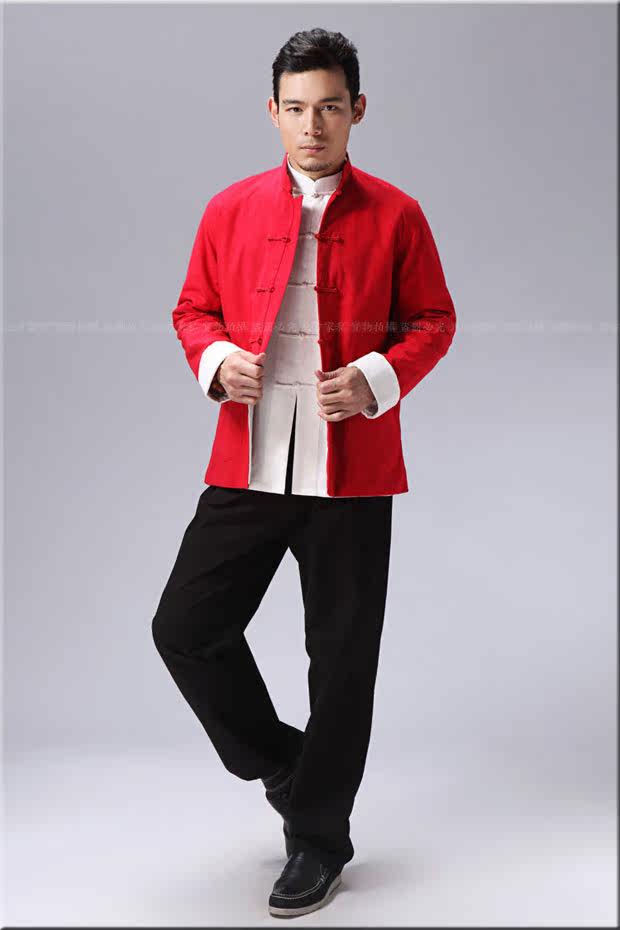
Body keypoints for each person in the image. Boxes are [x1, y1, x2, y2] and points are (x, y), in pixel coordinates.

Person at [152, 26, 456, 918]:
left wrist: (375, 377)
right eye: (295, 109)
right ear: (273, 112)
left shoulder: (399, 214)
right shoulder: (228, 208)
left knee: (344, 664)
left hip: (351, 473)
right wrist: (216, 361)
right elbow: (193, 309)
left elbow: (434, 319)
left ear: (357, 110)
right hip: (248, 463)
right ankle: (286, 764)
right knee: (186, 627)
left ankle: (318, 840)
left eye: (329, 108)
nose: (312, 125)